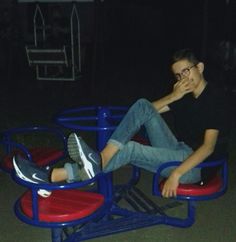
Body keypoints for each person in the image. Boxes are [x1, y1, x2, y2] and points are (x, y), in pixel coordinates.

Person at [13, 48, 230, 198]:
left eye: (187, 70)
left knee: (131, 149)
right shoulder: (184, 95)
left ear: (199, 67)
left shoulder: (216, 98)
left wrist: (176, 174)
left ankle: (52, 176)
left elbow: (208, 147)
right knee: (142, 103)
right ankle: (98, 160)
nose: (183, 78)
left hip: (198, 167)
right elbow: (145, 111)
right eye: (177, 75)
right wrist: (173, 96)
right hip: (180, 150)